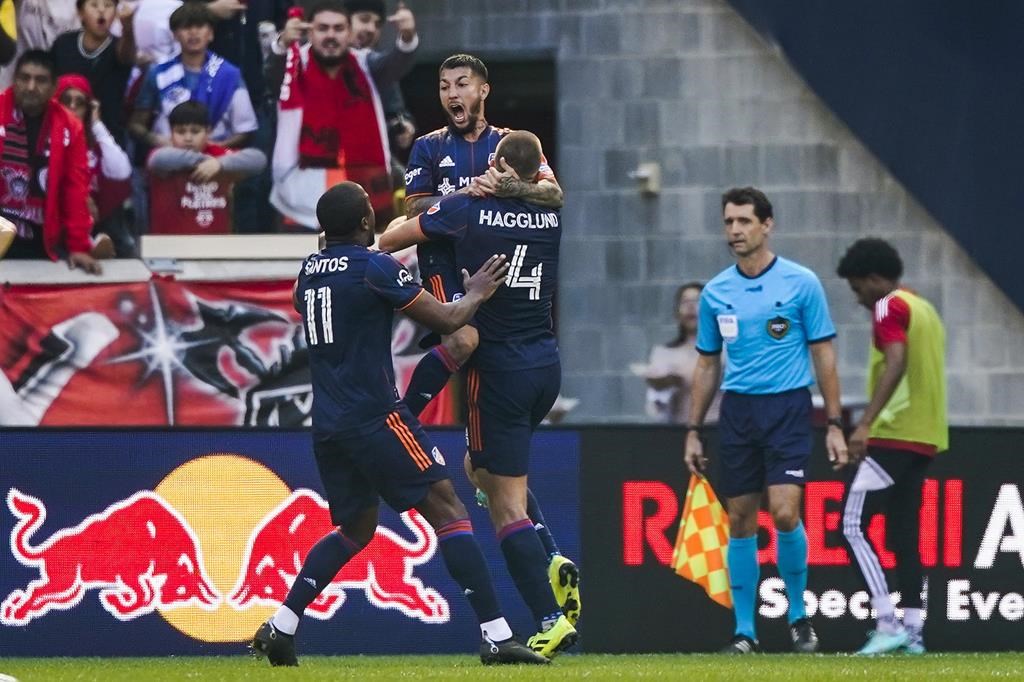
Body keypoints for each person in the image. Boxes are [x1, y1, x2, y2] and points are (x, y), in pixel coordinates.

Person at [249, 181, 547, 667]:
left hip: (328, 422)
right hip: (375, 414)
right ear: (366, 222)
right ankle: (496, 635)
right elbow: (449, 320)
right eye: (371, 209)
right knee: (449, 508)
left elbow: (306, 297)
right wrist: (475, 292)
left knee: (355, 527)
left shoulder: (310, 271)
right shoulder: (374, 266)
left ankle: (281, 625)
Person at [379, 131, 578, 659]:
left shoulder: (465, 208)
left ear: (493, 164)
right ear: (541, 172)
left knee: (505, 508)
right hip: (545, 365)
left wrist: (447, 200)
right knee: (479, 468)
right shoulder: (552, 215)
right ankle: (551, 555)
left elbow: (394, 239)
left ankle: (548, 618)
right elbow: (544, 194)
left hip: (500, 371)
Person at [683, 186, 848, 654]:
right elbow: (708, 363)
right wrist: (693, 430)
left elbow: (824, 353)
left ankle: (798, 617)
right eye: (728, 222)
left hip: (789, 408)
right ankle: (744, 631)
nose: (734, 230)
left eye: (744, 222)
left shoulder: (801, 283)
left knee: (784, 512)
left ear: (766, 225)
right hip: (738, 412)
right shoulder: (716, 292)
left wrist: (834, 421)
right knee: (739, 520)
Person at [836, 238, 947, 656]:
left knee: (850, 526)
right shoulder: (926, 310)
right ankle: (914, 634)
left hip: (894, 434)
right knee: (904, 536)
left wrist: (864, 424)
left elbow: (896, 361)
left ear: (875, 280)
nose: (859, 299)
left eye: (857, 287)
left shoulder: (888, 306)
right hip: (926, 437)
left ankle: (887, 623)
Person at [266, 0, 417, 229]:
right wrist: (283, 43)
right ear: (310, 31)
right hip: (299, 195)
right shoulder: (294, 63)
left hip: (362, 194)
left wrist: (406, 38)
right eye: (323, 28)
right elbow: (272, 73)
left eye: (338, 29)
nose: (331, 35)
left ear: (349, 33)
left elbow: (395, 62)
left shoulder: (365, 63)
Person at [0, 50, 100, 274]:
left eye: (40, 80)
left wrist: (78, 247)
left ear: (55, 87)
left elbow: (75, 188)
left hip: (42, 237)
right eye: (24, 78)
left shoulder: (70, 127)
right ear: (14, 80)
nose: (31, 86)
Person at [128, 1, 257, 151]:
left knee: (255, 159)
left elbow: (246, 131)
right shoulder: (158, 72)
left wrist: (214, 148)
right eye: (187, 27)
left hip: (216, 157)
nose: (193, 33)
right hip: (170, 154)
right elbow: (136, 124)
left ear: (211, 34)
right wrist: (160, 141)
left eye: (200, 27)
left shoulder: (229, 74)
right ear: (175, 35)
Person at [147, 100, 266, 234]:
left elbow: (259, 159)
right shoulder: (162, 155)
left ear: (208, 132)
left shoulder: (218, 155)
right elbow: (159, 160)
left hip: (216, 246)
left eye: (195, 131)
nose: (188, 138)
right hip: (169, 246)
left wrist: (219, 164)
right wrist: (208, 161)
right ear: (171, 133)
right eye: (180, 132)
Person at [55, 74, 132, 256]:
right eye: (66, 100)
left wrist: (96, 123)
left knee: (115, 209)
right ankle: (90, 245)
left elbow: (122, 172)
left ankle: (99, 244)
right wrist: (82, 198)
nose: (72, 107)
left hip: (97, 219)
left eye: (79, 103)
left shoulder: (95, 143)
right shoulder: (45, 137)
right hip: (58, 215)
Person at [52, 0, 137, 145]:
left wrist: (128, 29)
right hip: (62, 130)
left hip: (107, 135)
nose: (102, 10)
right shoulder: (64, 43)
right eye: (94, 5)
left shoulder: (120, 46)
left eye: (108, 5)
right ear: (80, 13)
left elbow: (127, 57)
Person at [639, 282, 721, 424]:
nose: (691, 307)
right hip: (679, 430)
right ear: (677, 312)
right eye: (685, 302)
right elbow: (656, 405)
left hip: (718, 428)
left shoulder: (725, 350)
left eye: (697, 301)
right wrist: (660, 384)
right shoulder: (663, 353)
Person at [344, 0, 416, 153]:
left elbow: (397, 113)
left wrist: (404, 127)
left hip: (368, 159)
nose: (371, 29)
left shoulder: (373, 66)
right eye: (364, 20)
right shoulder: (308, 58)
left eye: (377, 24)